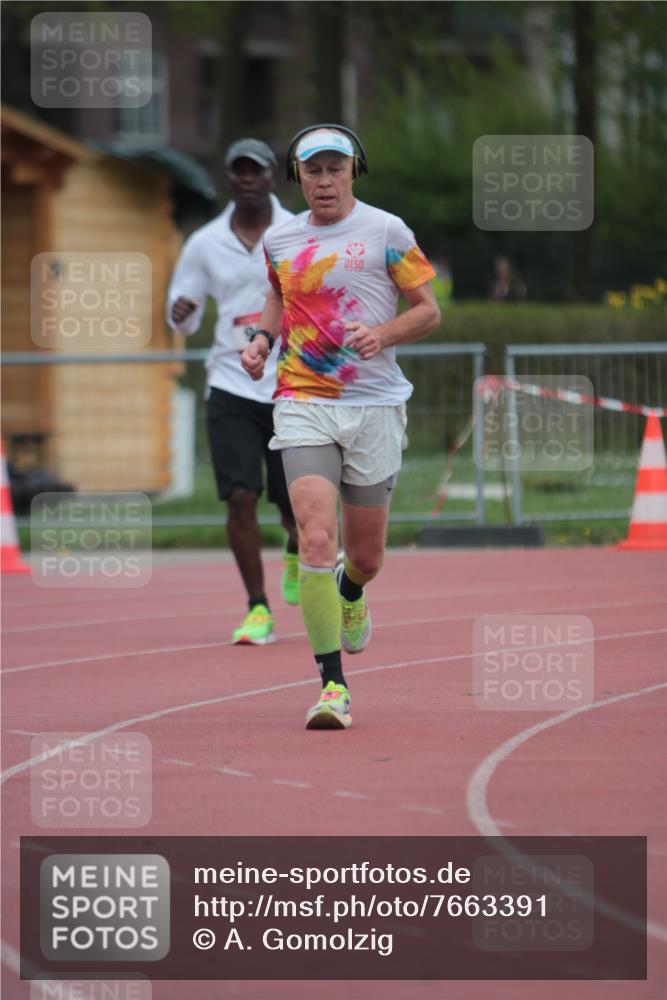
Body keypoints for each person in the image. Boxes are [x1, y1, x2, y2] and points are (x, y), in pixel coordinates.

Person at [241, 125, 440, 728]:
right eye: (312, 171)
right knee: (314, 538)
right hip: (303, 397)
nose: (324, 181)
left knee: (365, 556)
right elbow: (277, 298)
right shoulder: (280, 240)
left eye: (335, 169)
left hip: (374, 406)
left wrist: (381, 335)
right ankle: (333, 686)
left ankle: (351, 592)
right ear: (296, 176)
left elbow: (428, 311)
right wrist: (261, 340)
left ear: (355, 170)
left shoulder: (386, 231)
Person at [167, 138, 299, 646]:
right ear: (230, 178)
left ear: (271, 177)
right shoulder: (204, 242)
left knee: (294, 509)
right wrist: (181, 311)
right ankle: (258, 607)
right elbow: (184, 305)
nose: (248, 179)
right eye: (239, 171)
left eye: (257, 171)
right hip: (229, 381)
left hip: (290, 383)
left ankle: (296, 552)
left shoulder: (295, 232)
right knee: (240, 498)